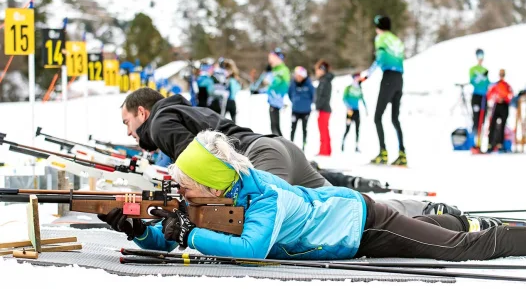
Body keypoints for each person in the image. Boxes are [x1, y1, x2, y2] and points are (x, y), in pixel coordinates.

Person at [102, 130, 526, 262]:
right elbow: (174, 239)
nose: (181, 188)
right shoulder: (217, 198)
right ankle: (464, 222)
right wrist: (142, 230)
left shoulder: (264, 197)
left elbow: (254, 250)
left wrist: (190, 232)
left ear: (213, 181)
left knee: (455, 251)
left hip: (364, 224)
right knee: (451, 234)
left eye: (187, 182)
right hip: (354, 231)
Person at [120, 88, 382, 193]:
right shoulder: (185, 110)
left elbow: (198, 165)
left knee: (271, 228)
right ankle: (417, 211)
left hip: (258, 160)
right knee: (344, 206)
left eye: (128, 123)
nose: (129, 133)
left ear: (142, 113)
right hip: (279, 148)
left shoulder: (158, 124)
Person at [362, 15, 406, 166]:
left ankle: (383, 153)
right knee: (395, 118)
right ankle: (402, 154)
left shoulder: (380, 38)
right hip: (399, 78)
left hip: (388, 78)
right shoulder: (397, 40)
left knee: (377, 117)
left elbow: (379, 58)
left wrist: (366, 75)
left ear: (379, 27)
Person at [486, 69, 514, 152]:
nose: (501, 75)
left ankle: (500, 145)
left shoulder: (507, 85)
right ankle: (490, 144)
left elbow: (511, 95)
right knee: (492, 125)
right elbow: (489, 95)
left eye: (503, 74)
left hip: (504, 105)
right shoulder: (495, 85)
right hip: (496, 105)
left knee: (502, 126)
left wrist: (504, 98)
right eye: (500, 74)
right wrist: (496, 98)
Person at [288, 66, 314, 151]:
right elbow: (290, 94)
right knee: (293, 128)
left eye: (299, 75)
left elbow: (313, 95)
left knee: (304, 128)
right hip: (295, 110)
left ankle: (304, 144)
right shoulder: (293, 83)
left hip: (306, 111)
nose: (297, 77)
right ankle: (291, 145)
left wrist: (307, 104)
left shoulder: (309, 84)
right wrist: (295, 101)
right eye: (296, 75)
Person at [469, 49, 490, 152]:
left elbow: (488, 84)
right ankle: (473, 143)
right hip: (476, 96)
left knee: (482, 120)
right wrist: (480, 77)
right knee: (476, 119)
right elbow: (472, 81)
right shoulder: (473, 69)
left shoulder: (485, 69)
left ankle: (479, 144)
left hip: (484, 97)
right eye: (479, 55)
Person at [342, 73, 367, 152]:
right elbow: (344, 98)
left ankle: (356, 146)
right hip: (350, 111)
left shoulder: (359, 89)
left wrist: (366, 109)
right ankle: (342, 144)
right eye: (356, 77)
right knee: (347, 128)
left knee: (357, 129)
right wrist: (348, 106)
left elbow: (362, 99)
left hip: (357, 111)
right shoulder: (348, 88)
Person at [314, 59, 333, 156]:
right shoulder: (324, 81)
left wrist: (318, 106)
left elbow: (323, 96)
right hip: (324, 108)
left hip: (324, 109)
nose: (316, 72)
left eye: (317, 69)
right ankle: (325, 150)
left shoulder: (324, 81)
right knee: (324, 130)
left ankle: (324, 151)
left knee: (323, 130)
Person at [222, 58, 241, 123]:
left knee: (225, 120)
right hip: (228, 101)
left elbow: (235, 90)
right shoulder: (234, 79)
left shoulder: (232, 80)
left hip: (228, 101)